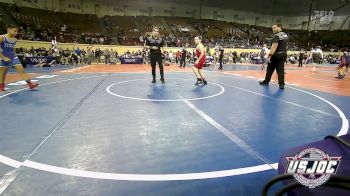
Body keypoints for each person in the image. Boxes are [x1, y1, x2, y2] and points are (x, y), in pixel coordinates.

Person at [0, 25, 39, 91]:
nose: (16, 33)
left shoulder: (15, 39)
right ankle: (1, 86)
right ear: (9, 30)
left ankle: (30, 84)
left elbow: (12, 49)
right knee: (3, 73)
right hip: (3, 56)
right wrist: (3, 57)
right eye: (14, 31)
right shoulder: (2, 37)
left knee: (21, 70)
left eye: (17, 31)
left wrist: (14, 55)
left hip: (13, 56)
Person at [259, 24, 288, 89]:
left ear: (280, 27)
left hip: (276, 54)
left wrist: (269, 56)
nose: (273, 29)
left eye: (275, 28)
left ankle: (266, 81)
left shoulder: (276, 36)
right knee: (280, 69)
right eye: (273, 28)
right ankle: (281, 84)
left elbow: (274, 47)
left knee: (270, 68)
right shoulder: (285, 35)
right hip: (283, 54)